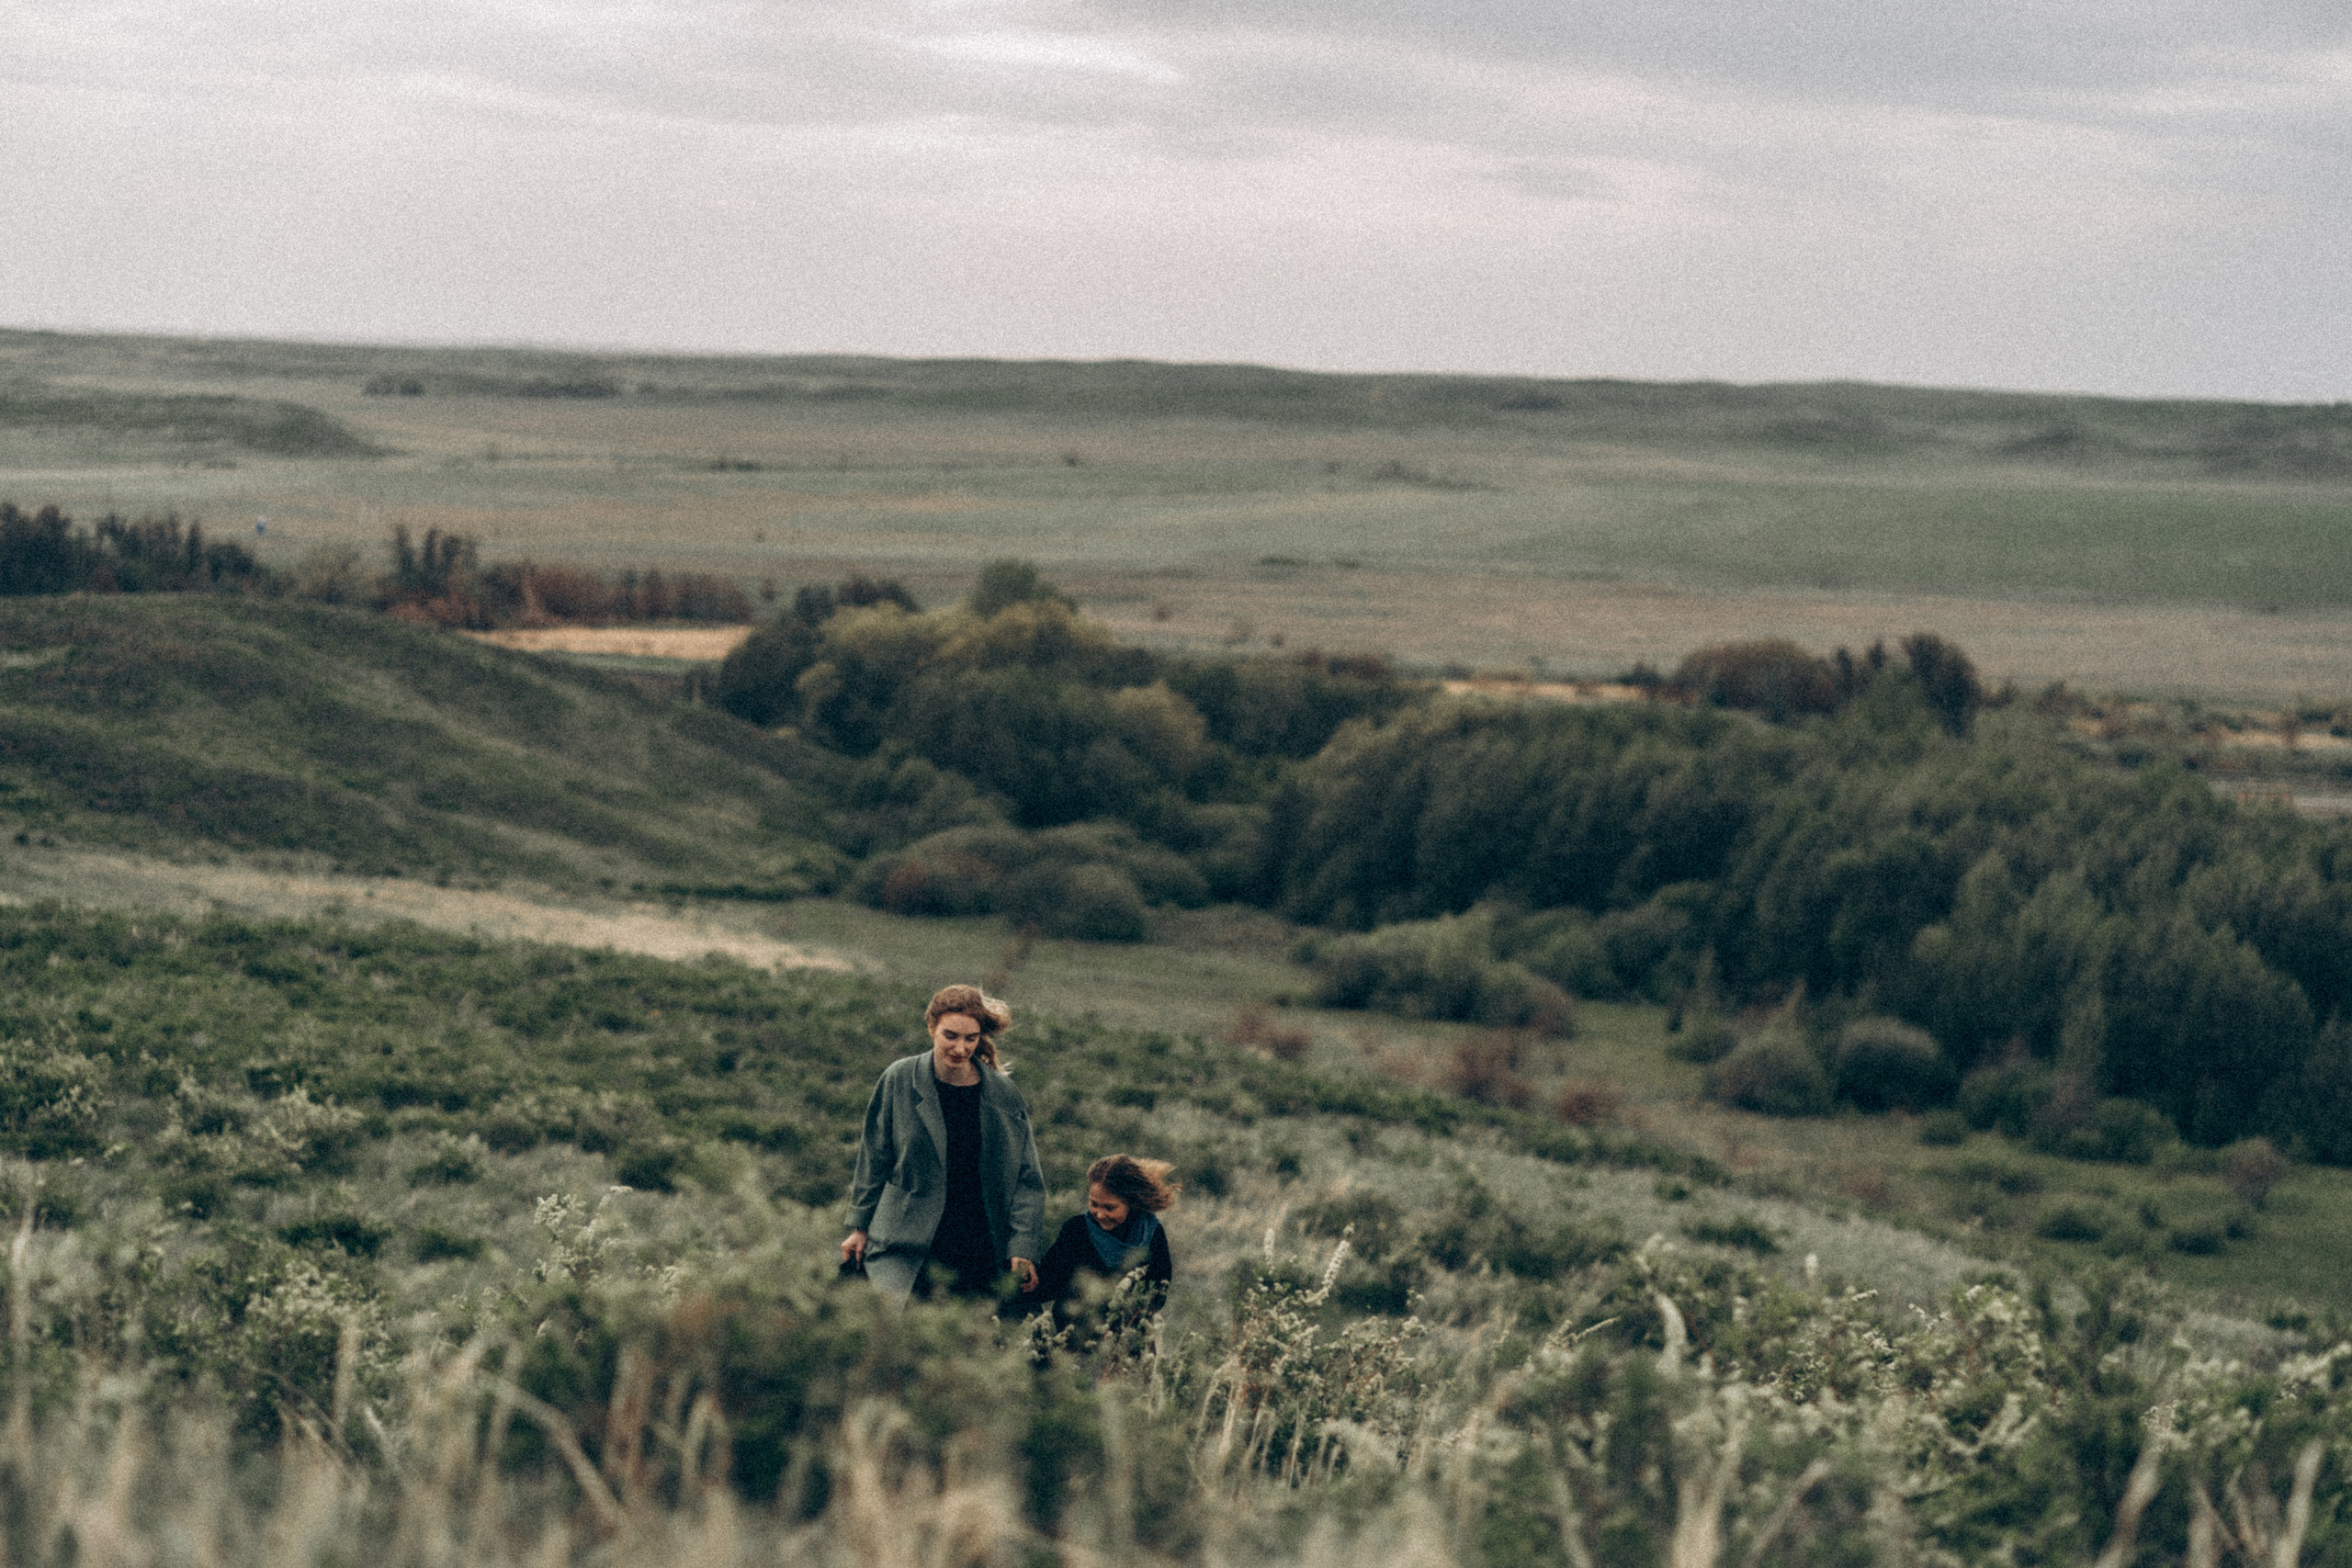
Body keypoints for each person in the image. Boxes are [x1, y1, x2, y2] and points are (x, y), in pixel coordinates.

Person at [842, 984, 1046, 1303]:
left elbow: (1026, 1177)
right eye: (950, 1035)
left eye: (971, 1038)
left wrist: (1022, 1246)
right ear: (931, 1028)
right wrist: (859, 1226)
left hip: (978, 1243)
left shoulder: (1004, 1094)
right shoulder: (899, 1078)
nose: (961, 1048)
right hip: (905, 1240)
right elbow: (875, 1157)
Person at [1029, 1154, 1179, 1316]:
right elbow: (1052, 1280)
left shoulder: (1151, 1233)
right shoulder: (1077, 1230)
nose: (1099, 1214)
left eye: (1110, 1208)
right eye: (1094, 1204)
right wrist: (1027, 1281)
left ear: (1131, 1202)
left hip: (1125, 1330)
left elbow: (1158, 1291)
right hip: (1074, 1329)